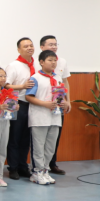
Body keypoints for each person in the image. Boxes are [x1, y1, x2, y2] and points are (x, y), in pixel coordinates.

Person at [25, 50, 68, 185]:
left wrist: (64, 102)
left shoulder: (58, 78)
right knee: (38, 147)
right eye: (50, 60)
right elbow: (28, 97)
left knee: (50, 147)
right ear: (42, 62)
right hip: (39, 117)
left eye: (55, 60)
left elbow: (60, 95)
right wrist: (45, 104)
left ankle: (45, 170)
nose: (53, 63)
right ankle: (36, 172)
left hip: (55, 117)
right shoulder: (35, 78)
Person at [38, 35, 71, 175]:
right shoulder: (37, 62)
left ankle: (52, 164)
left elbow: (65, 82)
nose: (54, 47)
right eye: (50, 44)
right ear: (42, 47)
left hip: (58, 104)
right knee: (39, 139)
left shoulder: (61, 62)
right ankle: (38, 167)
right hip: (42, 105)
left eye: (55, 44)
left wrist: (68, 101)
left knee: (54, 137)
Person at [5, 37, 36, 180]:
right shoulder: (14, 65)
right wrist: (22, 86)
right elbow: (6, 85)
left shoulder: (36, 65)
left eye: (31, 45)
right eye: (25, 46)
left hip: (32, 105)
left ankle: (23, 166)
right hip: (17, 104)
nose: (29, 48)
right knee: (14, 137)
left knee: (26, 138)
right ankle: (13, 167)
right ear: (19, 49)